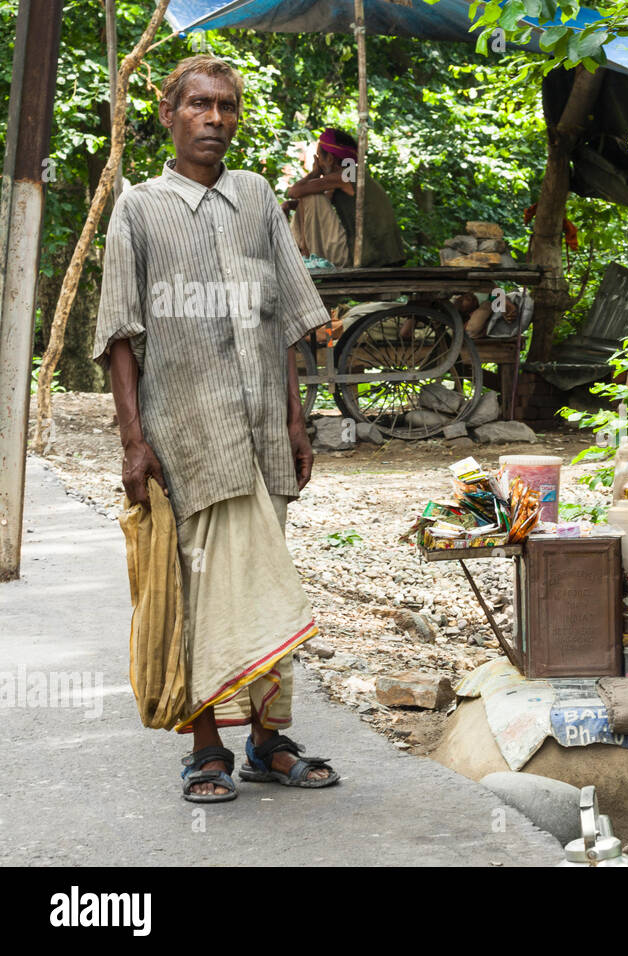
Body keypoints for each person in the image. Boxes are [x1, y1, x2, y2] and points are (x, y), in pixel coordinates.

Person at [93, 54, 340, 802]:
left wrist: (297, 423)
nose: (214, 119)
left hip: (263, 429)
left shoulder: (259, 197)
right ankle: (206, 750)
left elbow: (289, 321)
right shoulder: (138, 209)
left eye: (226, 106)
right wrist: (134, 442)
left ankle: (268, 741)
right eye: (198, 105)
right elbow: (120, 338)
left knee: (263, 589)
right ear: (169, 114)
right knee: (199, 595)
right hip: (186, 438)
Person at [283, 128, 404, 268]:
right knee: (308, 197)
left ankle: (299, 256)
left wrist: (314, 173)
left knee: (311, 196)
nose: (318, 162)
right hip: (382, 255)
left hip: (369, 256)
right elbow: (316, 204)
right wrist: (289, 205)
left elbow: (295, 191)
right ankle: (300, 254)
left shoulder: (346, 175)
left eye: (319, 157)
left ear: (329, 158)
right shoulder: (353, 175)